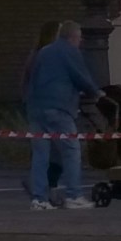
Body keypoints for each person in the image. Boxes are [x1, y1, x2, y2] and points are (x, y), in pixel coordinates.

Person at [20, 19, 93, 211]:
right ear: (73, 37)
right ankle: (74, 195)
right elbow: (81, 77)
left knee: (40, 154)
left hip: (35, 109)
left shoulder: (41, 53)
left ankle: (39, 199)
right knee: (71, 150)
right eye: (79, 38)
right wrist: (97, 93)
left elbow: (30, 80)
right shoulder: (68, 51)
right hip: (58, 108)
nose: (80, 42)